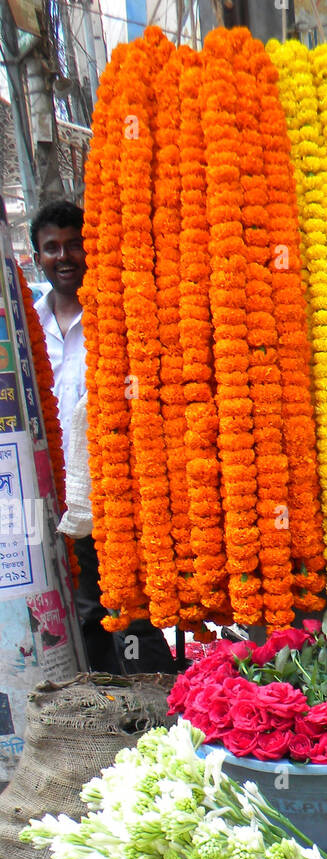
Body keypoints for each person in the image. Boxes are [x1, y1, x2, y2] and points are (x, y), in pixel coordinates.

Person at [30, 200, 175, 675]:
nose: (64, 256)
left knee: (129, 607)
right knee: (79, 608)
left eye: (74, 244)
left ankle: (154, 706)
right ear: (39, 258)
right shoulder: (30, 324)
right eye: (52, 248)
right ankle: (96, 707)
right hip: (50, 495)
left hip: (115, 492)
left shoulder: (117, 322)